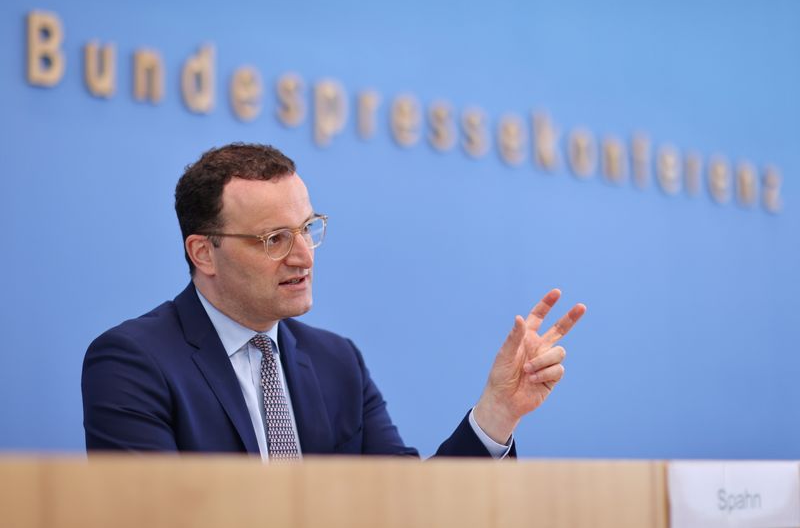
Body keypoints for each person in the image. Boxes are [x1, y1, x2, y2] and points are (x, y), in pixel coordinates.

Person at [82, 143, 586, 460]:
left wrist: (497, 411)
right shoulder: (133, 360)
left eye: (306, 229)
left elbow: (410, 508)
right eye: (273, 238)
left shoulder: (336, 361)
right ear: (204, 253)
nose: (303, 255)